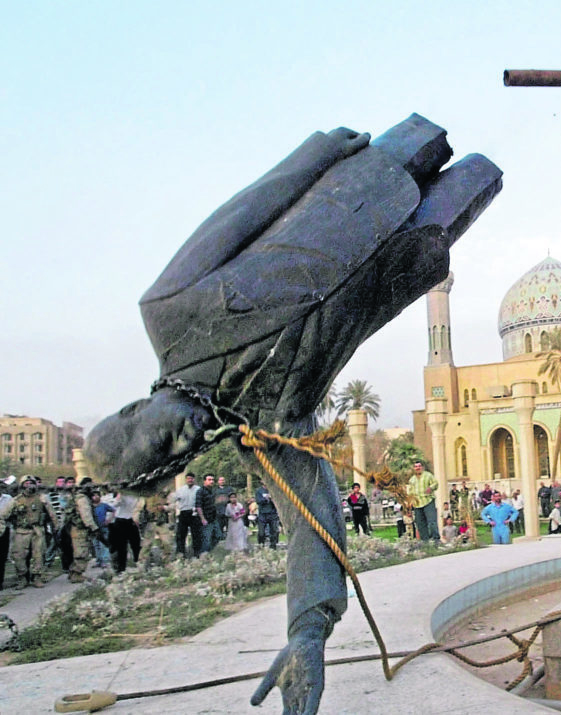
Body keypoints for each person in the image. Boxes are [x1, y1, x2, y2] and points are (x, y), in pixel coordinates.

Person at [80, 114, 502, 713]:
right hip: (402, 259)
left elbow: (239, 215)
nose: (179, 445)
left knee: (430, 132)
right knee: (484, 178)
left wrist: (319, 152)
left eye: (157, 442)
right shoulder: (267, 428)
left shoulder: (166, 311)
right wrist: (307, 634)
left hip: (353, 193)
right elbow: (312, 521)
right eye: (171, 459)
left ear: (134, 411)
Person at [0, 476, 58, 588]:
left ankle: (37, 577)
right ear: (22, 485)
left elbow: (52, 514)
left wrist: (56, 527)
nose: (29, 485)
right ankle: (22, 578)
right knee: (18, 556)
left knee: (38, 555)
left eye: (31, 483)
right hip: (21, 531)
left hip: (37, 530)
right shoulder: (16, 500)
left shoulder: (42, 498)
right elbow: (3, 515)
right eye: (26, 483)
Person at [66, 478, 103, 582]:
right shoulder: (82, 498)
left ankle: (73, 572)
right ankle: (77, 574)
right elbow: (86, 516)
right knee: (82, 552)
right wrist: (94, 528)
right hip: (80, 529)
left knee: (80, 551)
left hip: (77, 528)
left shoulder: (79, 496)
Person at [110, 490, 143, 572]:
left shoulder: (137, 496)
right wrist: (119, 497)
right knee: (121, 547)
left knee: (136, 544)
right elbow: (114, 505)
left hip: (131, 521)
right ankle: (121, 567)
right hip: (120, 521)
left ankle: (137, 562)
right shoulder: (122, 495)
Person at [171, 472, 201, 557]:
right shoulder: (181, 490)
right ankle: (181, 553)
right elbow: (173, 500)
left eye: (191, 478)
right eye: (188, 478)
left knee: (196, 534)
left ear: (194, 479)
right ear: (186, 480)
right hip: (183, 513)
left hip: (194, 513)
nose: (190, 480)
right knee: (181, 534)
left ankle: (197, 553)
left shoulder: (198, 490)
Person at [408, 462, 439, 541]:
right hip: (417, 505)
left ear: (422, 467)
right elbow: (410, 493)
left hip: (428, 501)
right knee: (420, 525)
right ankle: (425, 543)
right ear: (414, 468)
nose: (417, 468)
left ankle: (436, 540)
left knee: (432, 522)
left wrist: (430, 488)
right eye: (416, 466)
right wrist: (410, 504)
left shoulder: (428, 475)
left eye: (419, 466)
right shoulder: (412, 480)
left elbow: (435, 483)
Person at [90, 491, 115, 567]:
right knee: (96, 545)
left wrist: (109, 520)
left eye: (97, 495)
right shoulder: (90, 507)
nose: (96, 497)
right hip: (94, 528)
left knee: (104, 545)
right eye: (94, 495)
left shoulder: (103, 505)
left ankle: (105, 561)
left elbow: (114, 510)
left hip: (103, 527)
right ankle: (98, 561)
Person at [196, 474, 219, 553]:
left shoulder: (212, 491)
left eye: (212, 480)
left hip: (214, 518)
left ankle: (210, 552)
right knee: (206, 540)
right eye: (209, 480)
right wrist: (202, 519)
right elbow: (198, 506)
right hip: (206, 519)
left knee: (218, 536)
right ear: (204, 481)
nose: (212, 481)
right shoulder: (200, 491)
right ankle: (204, 556)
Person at [255, 482, 280, 549]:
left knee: (274, 531)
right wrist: (266, 498)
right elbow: (258, 501)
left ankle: (273, 547)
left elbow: (278, 500)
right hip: (262, 514)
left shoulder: (273, 490)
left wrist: (272, 499)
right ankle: (261, 545)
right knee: (261, 532)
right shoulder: (259, 491)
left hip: (272, 513)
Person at [214, 476, 233, 540]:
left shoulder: (229, 489)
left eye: (223, 480)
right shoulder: (215, 490)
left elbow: (232, 498)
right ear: (218, 481)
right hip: (218, 511)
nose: (222, 481)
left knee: (229, 525)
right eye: (220, 480)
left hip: (228, 510)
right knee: (219, 525)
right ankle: (220, 538)